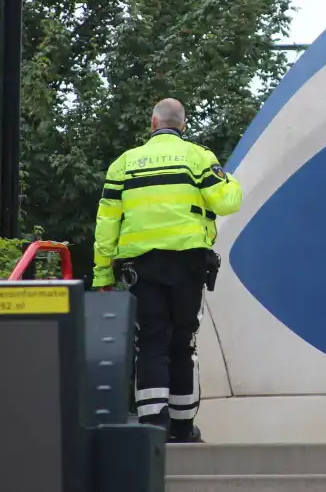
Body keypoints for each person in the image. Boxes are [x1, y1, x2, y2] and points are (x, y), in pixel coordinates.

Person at [92, 98, 243, 443]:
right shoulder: (199, 158)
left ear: (153, 123)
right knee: (183, 342)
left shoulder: (124, 164)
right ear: (184, 125)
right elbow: (227, 202)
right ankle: (183, 427)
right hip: (188, 264)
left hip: (140, 267)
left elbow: (106, 223)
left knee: (150, 342)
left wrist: (102, 274)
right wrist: (226, 178)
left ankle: (152, 427)